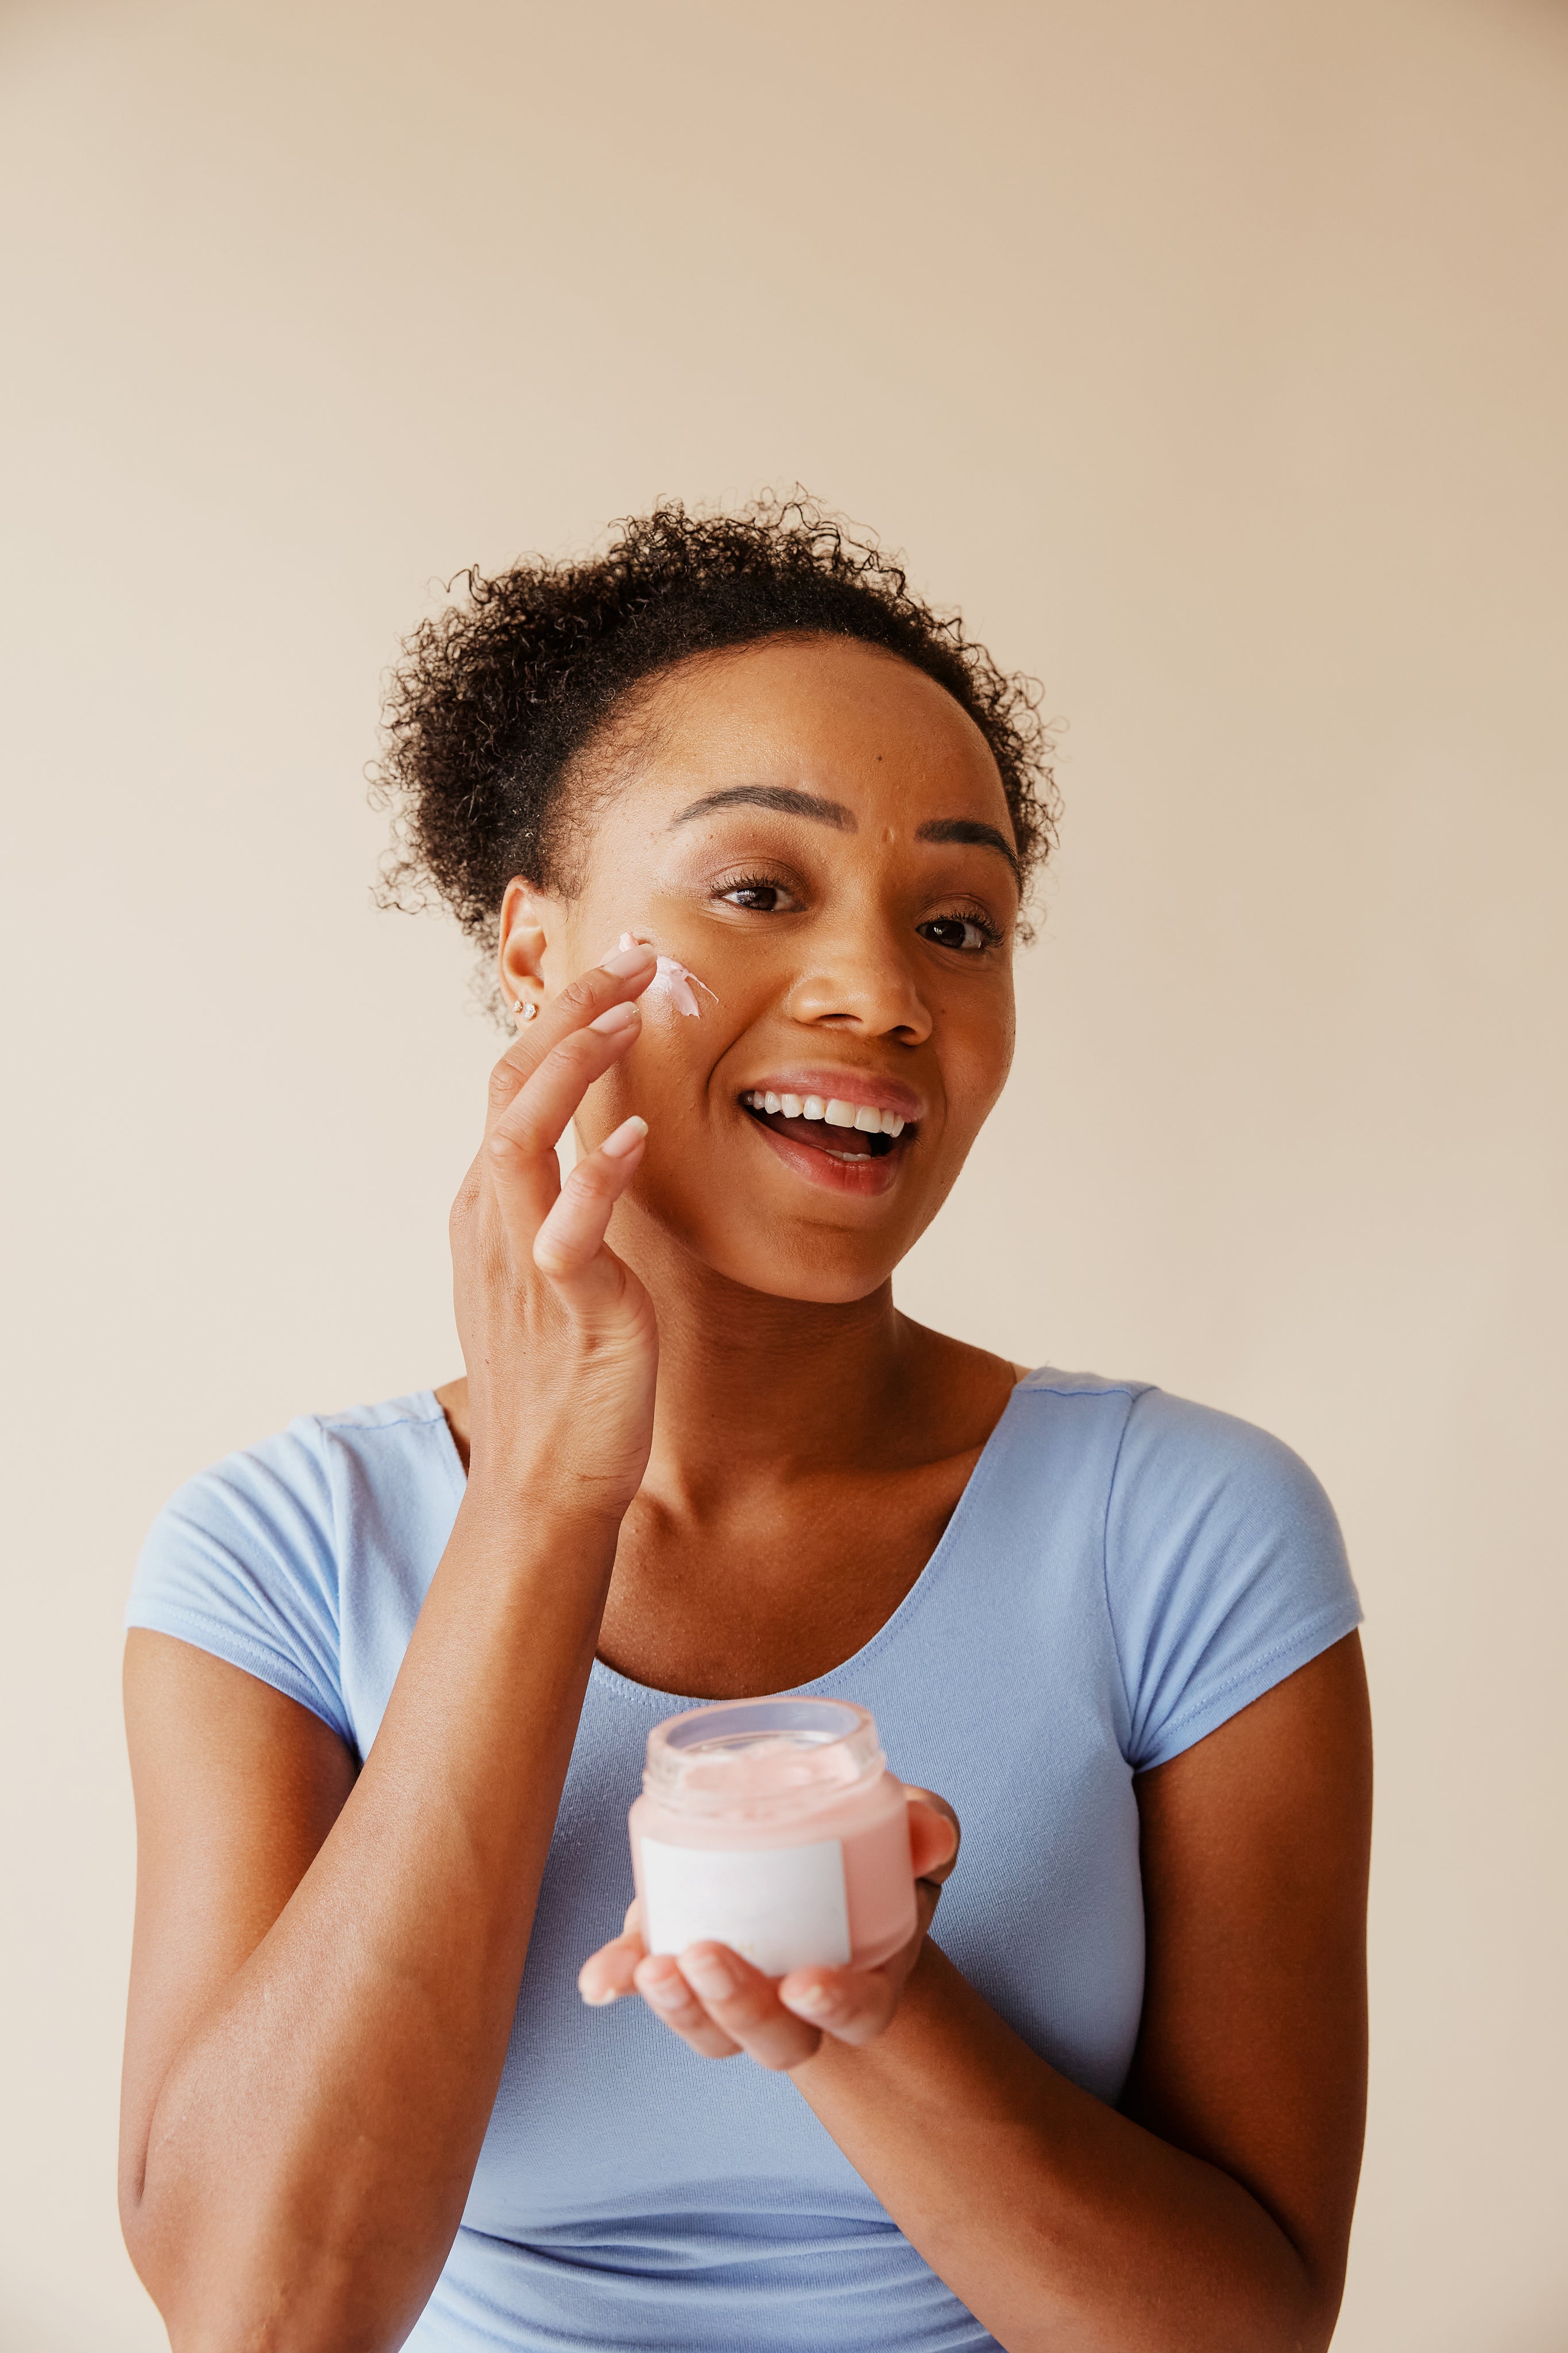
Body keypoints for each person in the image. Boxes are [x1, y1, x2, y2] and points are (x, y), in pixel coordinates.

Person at [119, 499, 1371, 2353]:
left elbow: (1240, 2334)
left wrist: (873, 2010)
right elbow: (265, 2315)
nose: (882, 995)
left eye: (961, 921)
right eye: (758, 891)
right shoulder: (282, 1556)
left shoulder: (1182, 1530)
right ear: (537, 959)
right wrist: (545, 1503)